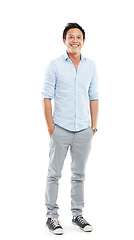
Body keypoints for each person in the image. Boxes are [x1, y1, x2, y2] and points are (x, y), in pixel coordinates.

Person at [42, 22, 99, 235]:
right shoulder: (54, 65)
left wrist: (93, 127)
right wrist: (51, 129)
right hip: (60, 128)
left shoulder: (90, 66)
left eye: (78, 37)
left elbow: (94, 96)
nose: (74, 40)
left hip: (84, 129)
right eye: (70, 37)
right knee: (54, 174)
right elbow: (46, 98)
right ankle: (52, 217)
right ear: (64, 40)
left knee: (79, 175)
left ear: (83, 41)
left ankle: (77, 214)